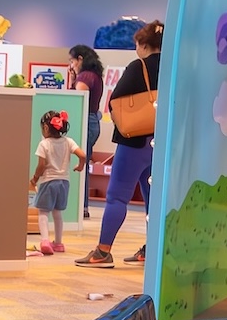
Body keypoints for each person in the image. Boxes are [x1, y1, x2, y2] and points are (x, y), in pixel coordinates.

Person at [76, 19, 161, 269]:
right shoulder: (173, 68)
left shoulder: (138, 67)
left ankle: (103, 252)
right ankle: (152, 249)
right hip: (161, 142)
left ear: (144, 45)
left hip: (133, 141)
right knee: (154, 200)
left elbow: (116, 100)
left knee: (116, 197)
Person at [28, 108, 83, 255]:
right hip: (64, 182)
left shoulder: (44, 144)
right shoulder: (68, 141)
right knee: (57, 213)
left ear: (46, 128)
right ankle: (58, 243)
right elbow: (82, 154)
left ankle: (45, 241)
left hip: (48, 182)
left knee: (43, 212)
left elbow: (41, 165)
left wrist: (34, 179)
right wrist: (81, 165)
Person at [67, 44, 106, 171]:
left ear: (80, 59)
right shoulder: (95, 76)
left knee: (80, 169)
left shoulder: (85, 77)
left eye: (72, 62)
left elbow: (77, 102)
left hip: (86, 122)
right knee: (84, 167)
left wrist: (76, 80)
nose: (71, 66)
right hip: (93, 122)